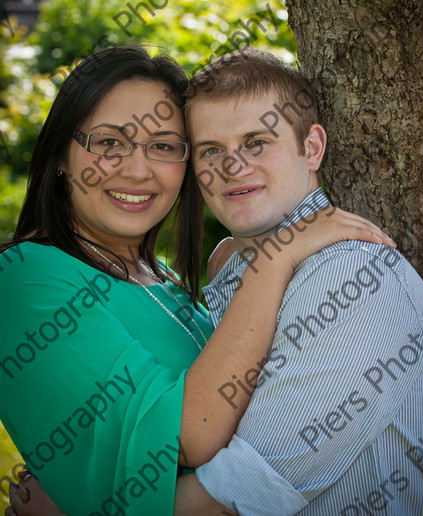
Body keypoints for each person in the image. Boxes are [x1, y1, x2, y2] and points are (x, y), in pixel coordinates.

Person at [0, 46, 392, 516]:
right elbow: (187, 437)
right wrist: (278, 256)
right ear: (62, 152)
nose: (138, 169)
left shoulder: (165, 282)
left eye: (163, 146)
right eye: (108, 143)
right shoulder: (25, 275)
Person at [173, 48, 423, 515]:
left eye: (256, 142)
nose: (233, 167)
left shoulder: (356, 278)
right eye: (211, 150)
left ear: (312, 147)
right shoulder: (229, 269)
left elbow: (235, 494)